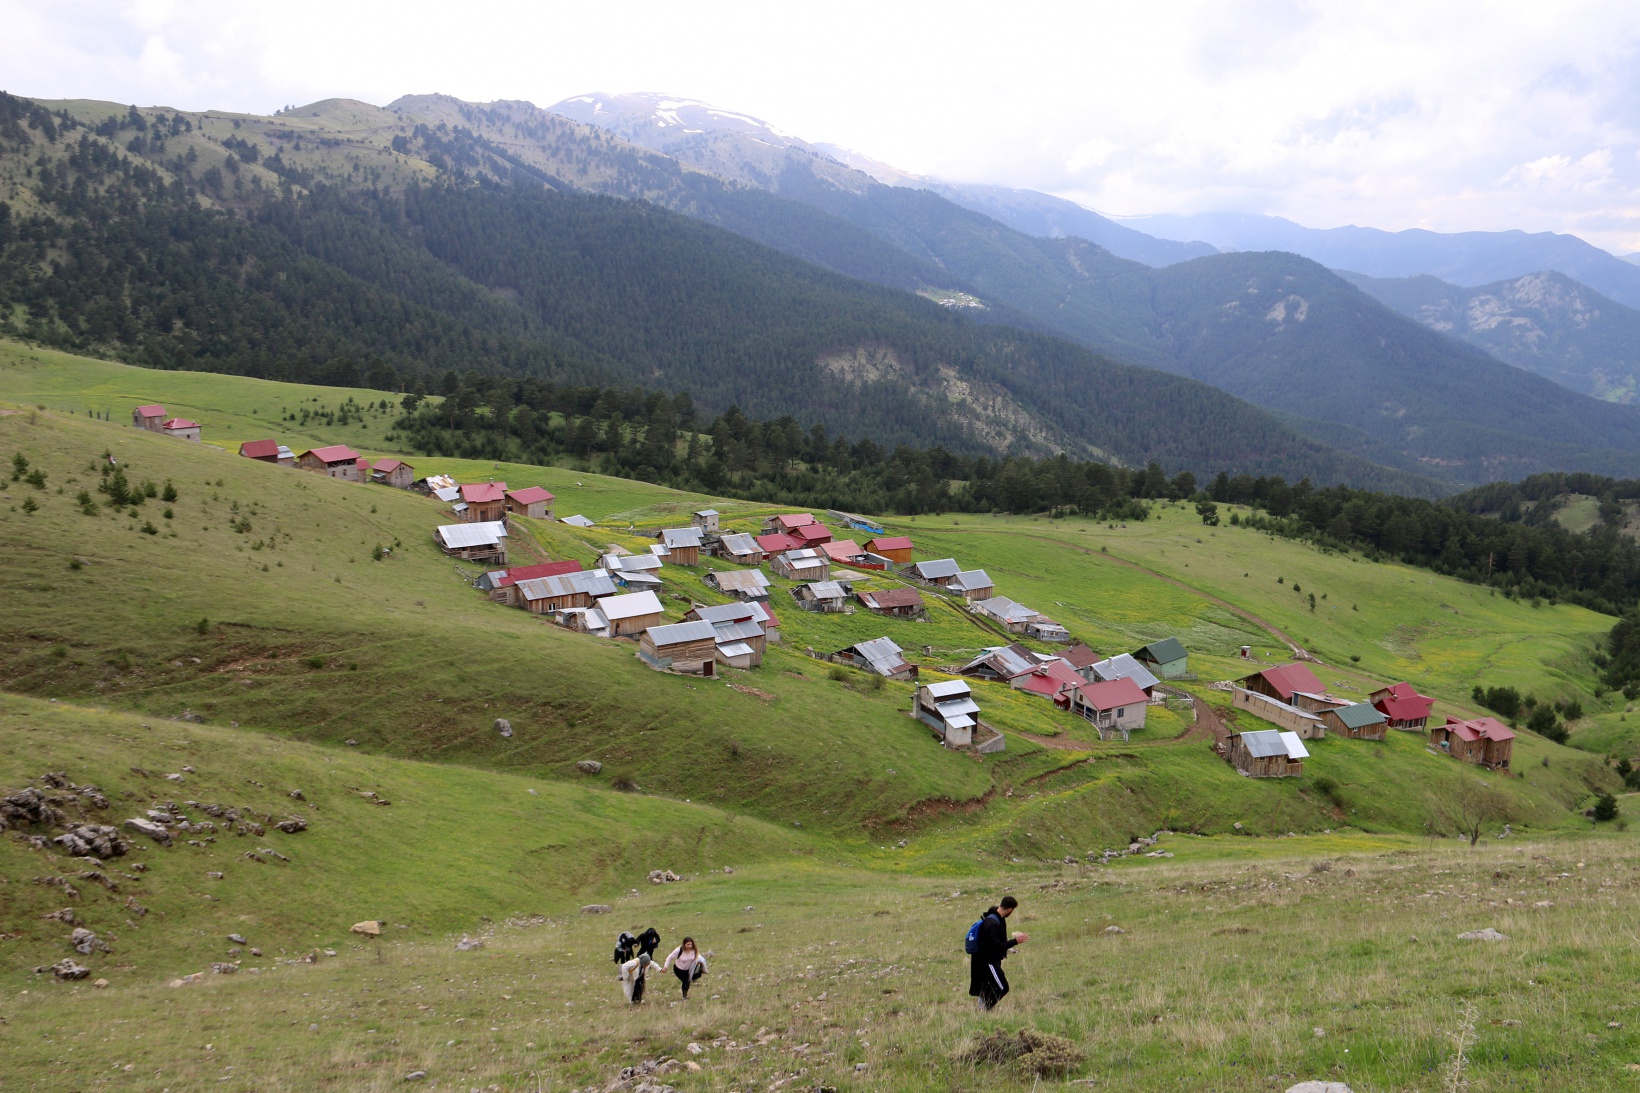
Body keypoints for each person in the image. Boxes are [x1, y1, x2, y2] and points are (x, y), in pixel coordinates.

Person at [969, 895, 1027, 1012]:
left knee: (987, 986)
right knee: (1003, 987)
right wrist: (1016, 941)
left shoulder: (996, 918)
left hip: (987, 960)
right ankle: (985, 1009)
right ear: (1010, 909)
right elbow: (996, 946)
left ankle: (981, 1010)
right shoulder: (992, 923)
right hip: (988, 961)